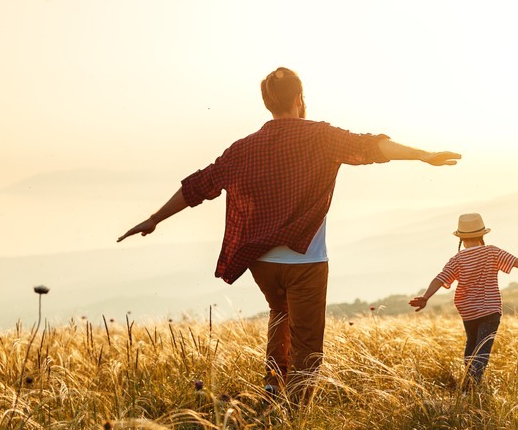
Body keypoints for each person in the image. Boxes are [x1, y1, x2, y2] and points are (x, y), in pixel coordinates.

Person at [118, 67, 461, 405]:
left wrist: (154, 218)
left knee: (280, 315)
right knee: (307, 342)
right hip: (306, 262)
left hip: (261, 263)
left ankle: (272, 388)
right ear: (299, 99)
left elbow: (199, 185)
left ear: (268, 103)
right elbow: (372, 146)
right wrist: (423, 155)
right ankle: (295, 411)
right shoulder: (320, 136)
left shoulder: (243, 149)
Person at [408, 213, 518, 390]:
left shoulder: (457, 260)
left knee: (471, 346)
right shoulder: (492, 252)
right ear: (482, 235)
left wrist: (425, 297)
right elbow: (517, 262)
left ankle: (467, 385)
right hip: (490, 310)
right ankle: (472, 387)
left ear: (462, 239)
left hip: (468, 312)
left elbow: (440, 279)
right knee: (482, 349)